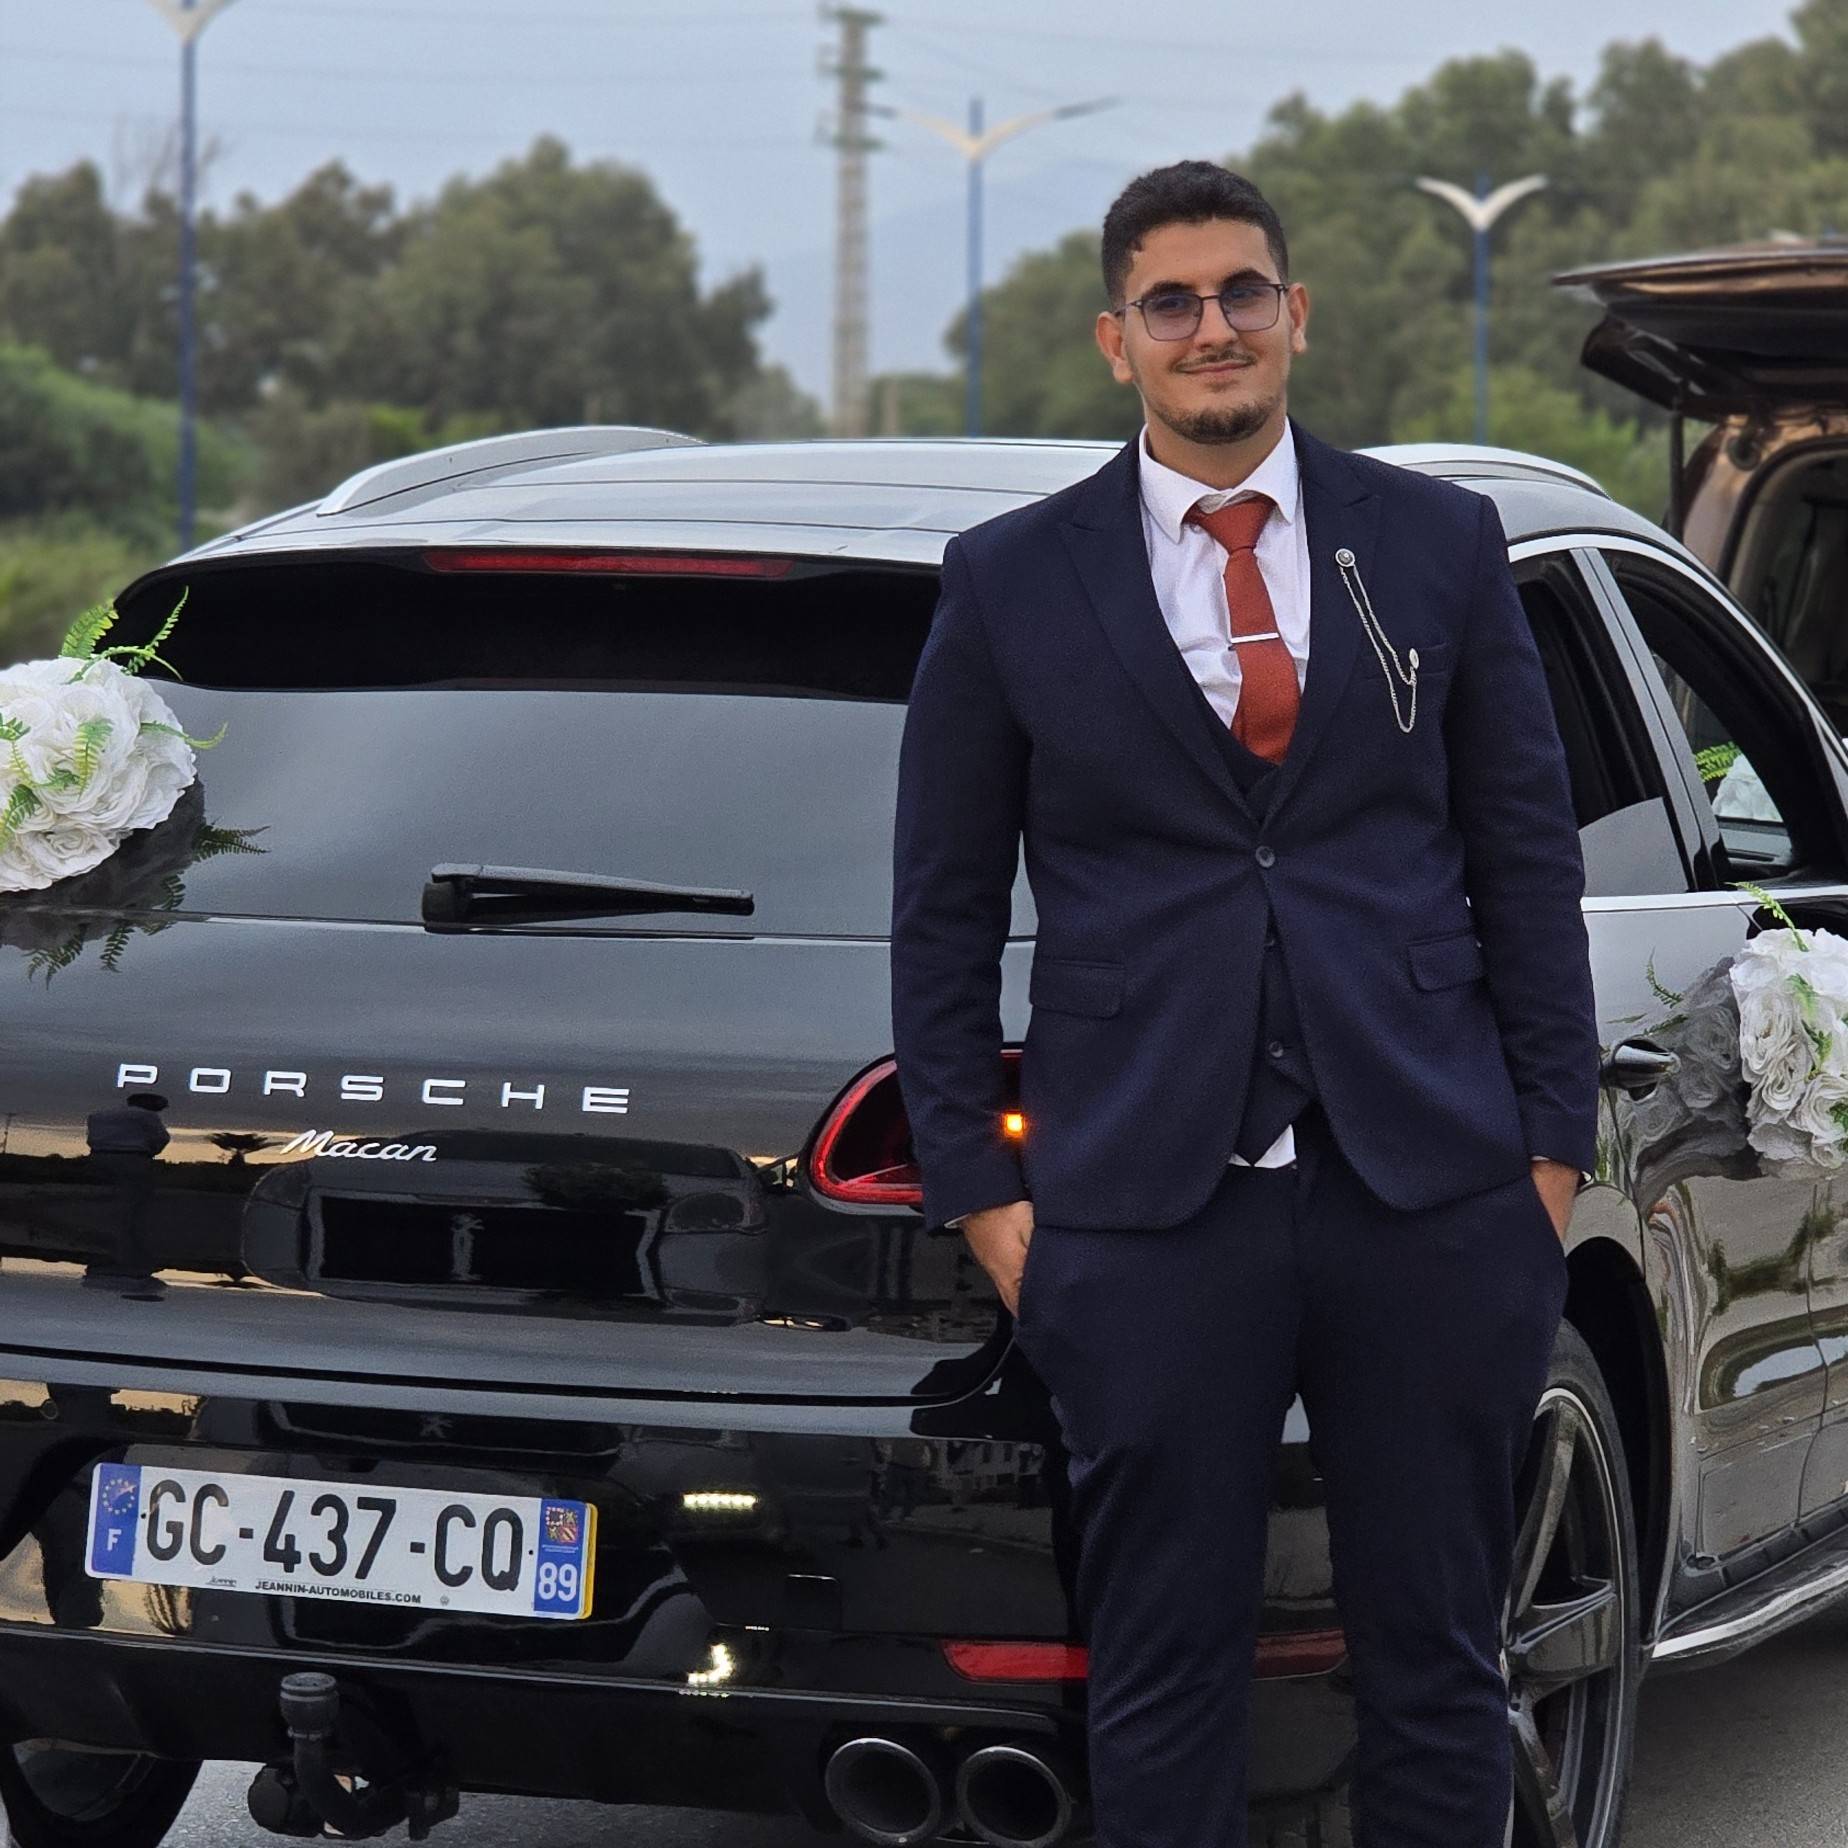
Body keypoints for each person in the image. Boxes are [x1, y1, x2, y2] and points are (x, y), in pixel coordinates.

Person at [888, 160, 1597, 1848]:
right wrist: (983, 1191)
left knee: (1439, 1662)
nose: (1213, 327)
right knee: (1161, 1670)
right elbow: (941, 913)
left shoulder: (1434, 544)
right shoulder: (1009, 580)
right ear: (1116, 340)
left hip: (1429, 1190)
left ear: (1296, 315)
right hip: (1145, 1208)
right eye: (1172, 302)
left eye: (1241, 293)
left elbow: (1526, 864)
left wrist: (1545, 1160)